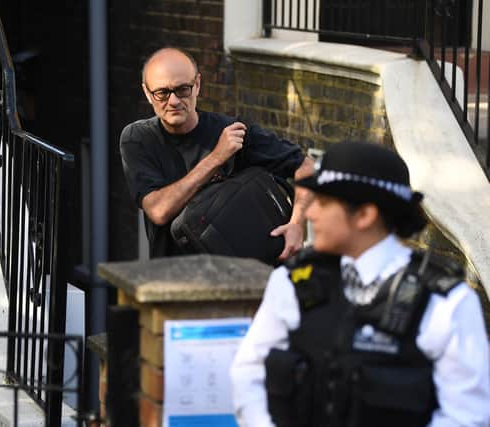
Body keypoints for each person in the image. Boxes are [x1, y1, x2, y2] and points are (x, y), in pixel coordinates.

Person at [230, 141, 490, 427]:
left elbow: (467, 415)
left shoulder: (445, 302)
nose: (311, 213)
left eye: (324, 202)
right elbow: (248, 374)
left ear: (365, 214)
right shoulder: (292, 283)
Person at [120, 47, 314, 258]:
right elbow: (158, 211)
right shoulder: (138, 138)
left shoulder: (233, 131)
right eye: (162, 93)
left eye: (183, 89)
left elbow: (306, 167)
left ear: (198, 85)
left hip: (238, 275)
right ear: (148, 94)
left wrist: (296, 225)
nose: (174, 101)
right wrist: (216, 158)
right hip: (174, 279)